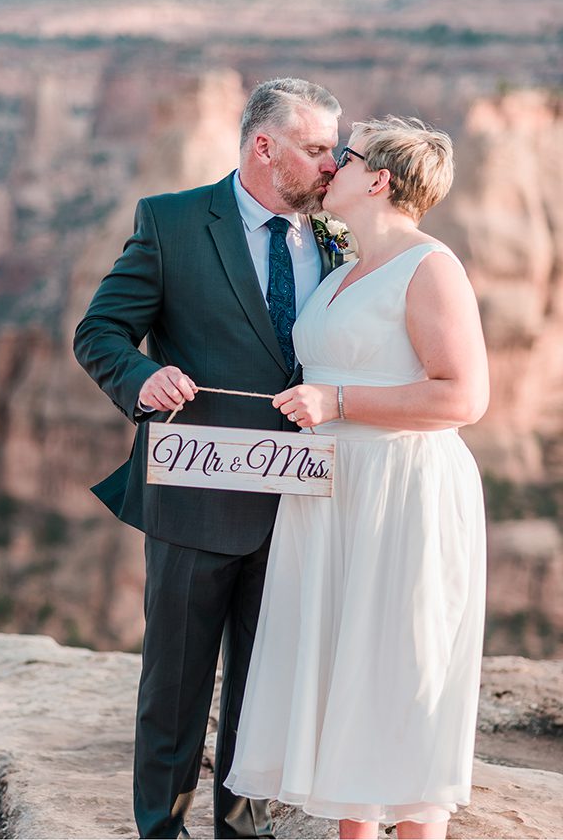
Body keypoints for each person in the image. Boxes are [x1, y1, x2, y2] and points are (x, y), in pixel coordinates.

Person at [74, 77, 345, 839]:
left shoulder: (335, 235)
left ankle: (240, 830)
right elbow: (98, 334)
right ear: (265, 146)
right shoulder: (172, 222)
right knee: (177, 687)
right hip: (196, 497)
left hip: (300, 501)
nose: (334, 164)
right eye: (318, 149)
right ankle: (162, 830)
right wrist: (143, 378)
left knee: (263, 693)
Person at [223, 118, 487, 840]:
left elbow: (463, 397)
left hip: (403, 489)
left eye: (348, 154)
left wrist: (339, 402)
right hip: (331, 489)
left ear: (380, 180)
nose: (331, 163)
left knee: (400, 668)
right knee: (346, 666)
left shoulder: (431, 267)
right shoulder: (342, 270)